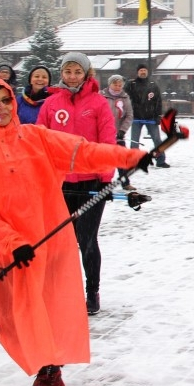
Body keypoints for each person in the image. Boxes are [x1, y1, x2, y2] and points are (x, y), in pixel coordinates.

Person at [0, 73, 151, 386]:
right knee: (11, 317)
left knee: (49, 310)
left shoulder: (35, 138)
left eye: (6, 100)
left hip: (49, 242)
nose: (2, 108)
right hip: (8, 251)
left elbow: (84, 152)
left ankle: (51, 372)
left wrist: (130, 158)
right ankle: (44, 366)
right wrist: (9, 241)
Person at [36, 53, 117, 315]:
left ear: (86, 74)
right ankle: (62, 291)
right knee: (61, 241)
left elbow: (107, 141)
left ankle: (92, 291)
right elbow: (39, 141)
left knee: (87, 240)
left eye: (77, 72)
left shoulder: (98, 103)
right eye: (67, 71)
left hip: (90, 182)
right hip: (59, 184)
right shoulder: (50, 103)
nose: (72, 76)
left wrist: (105, 178)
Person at [125, 64, 170, 168]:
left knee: (157, 140)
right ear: (137, 72)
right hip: (136, 117)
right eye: (141, 70)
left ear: (147, 72)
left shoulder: (153, 85)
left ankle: (160, 160)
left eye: (144, 70)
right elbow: (125, 98)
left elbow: (158, 101)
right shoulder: (131, 84)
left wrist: (158, 115)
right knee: (134, 141)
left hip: (151, 118)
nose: (143, 72)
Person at [102, 74, 135, 188]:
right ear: (110, 84)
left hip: (118, 134)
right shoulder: (101, 96)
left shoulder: (125, 98)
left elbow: (129, 116)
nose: (117, 87)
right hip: (103, 133)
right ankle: (101, 182)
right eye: (115, 84)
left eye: (120, 85)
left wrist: (122, 130)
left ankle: (125, 182)